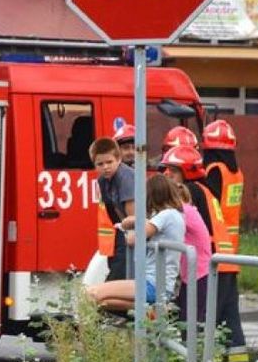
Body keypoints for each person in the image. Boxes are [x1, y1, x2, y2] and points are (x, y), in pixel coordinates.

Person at [160, 144, 246, 357]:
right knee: (228, 319)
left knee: (200, 321)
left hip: (208, 265)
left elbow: (171, 220)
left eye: (172, 169)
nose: (166, 174)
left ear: (186, 171)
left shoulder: (191, 192)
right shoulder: (205, 189)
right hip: (225, 261)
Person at [86, 173, 185, 313]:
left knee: (92, 293)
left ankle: (150, 310)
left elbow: (133, 239)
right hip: (161, 284)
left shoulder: (166, 215)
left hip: (152, 284)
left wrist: (130, 221)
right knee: (102, 301)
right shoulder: (176, 216)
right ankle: (148, 311)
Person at [201, 119, 249, 362]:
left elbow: (209, 206)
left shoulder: (214, 170)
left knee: (213, 312)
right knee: (230, 314)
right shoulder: (236, 172)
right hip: (231, 250)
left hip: (215, 249)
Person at [162, 169, 211, 322]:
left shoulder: (183, 212)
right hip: (190, 273)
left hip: (197, 273)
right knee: (186, 319)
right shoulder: (186, 211)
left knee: (191, 322)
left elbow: (157, 227)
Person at [90, 137, 135, 281]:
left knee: (119, 275)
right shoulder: (102, 181)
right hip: (119, 229)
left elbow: (133, 217)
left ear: (118, 159)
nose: (105, 167)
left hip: (132, 229)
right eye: (100, 164)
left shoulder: (126, 177)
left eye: (109, 162)